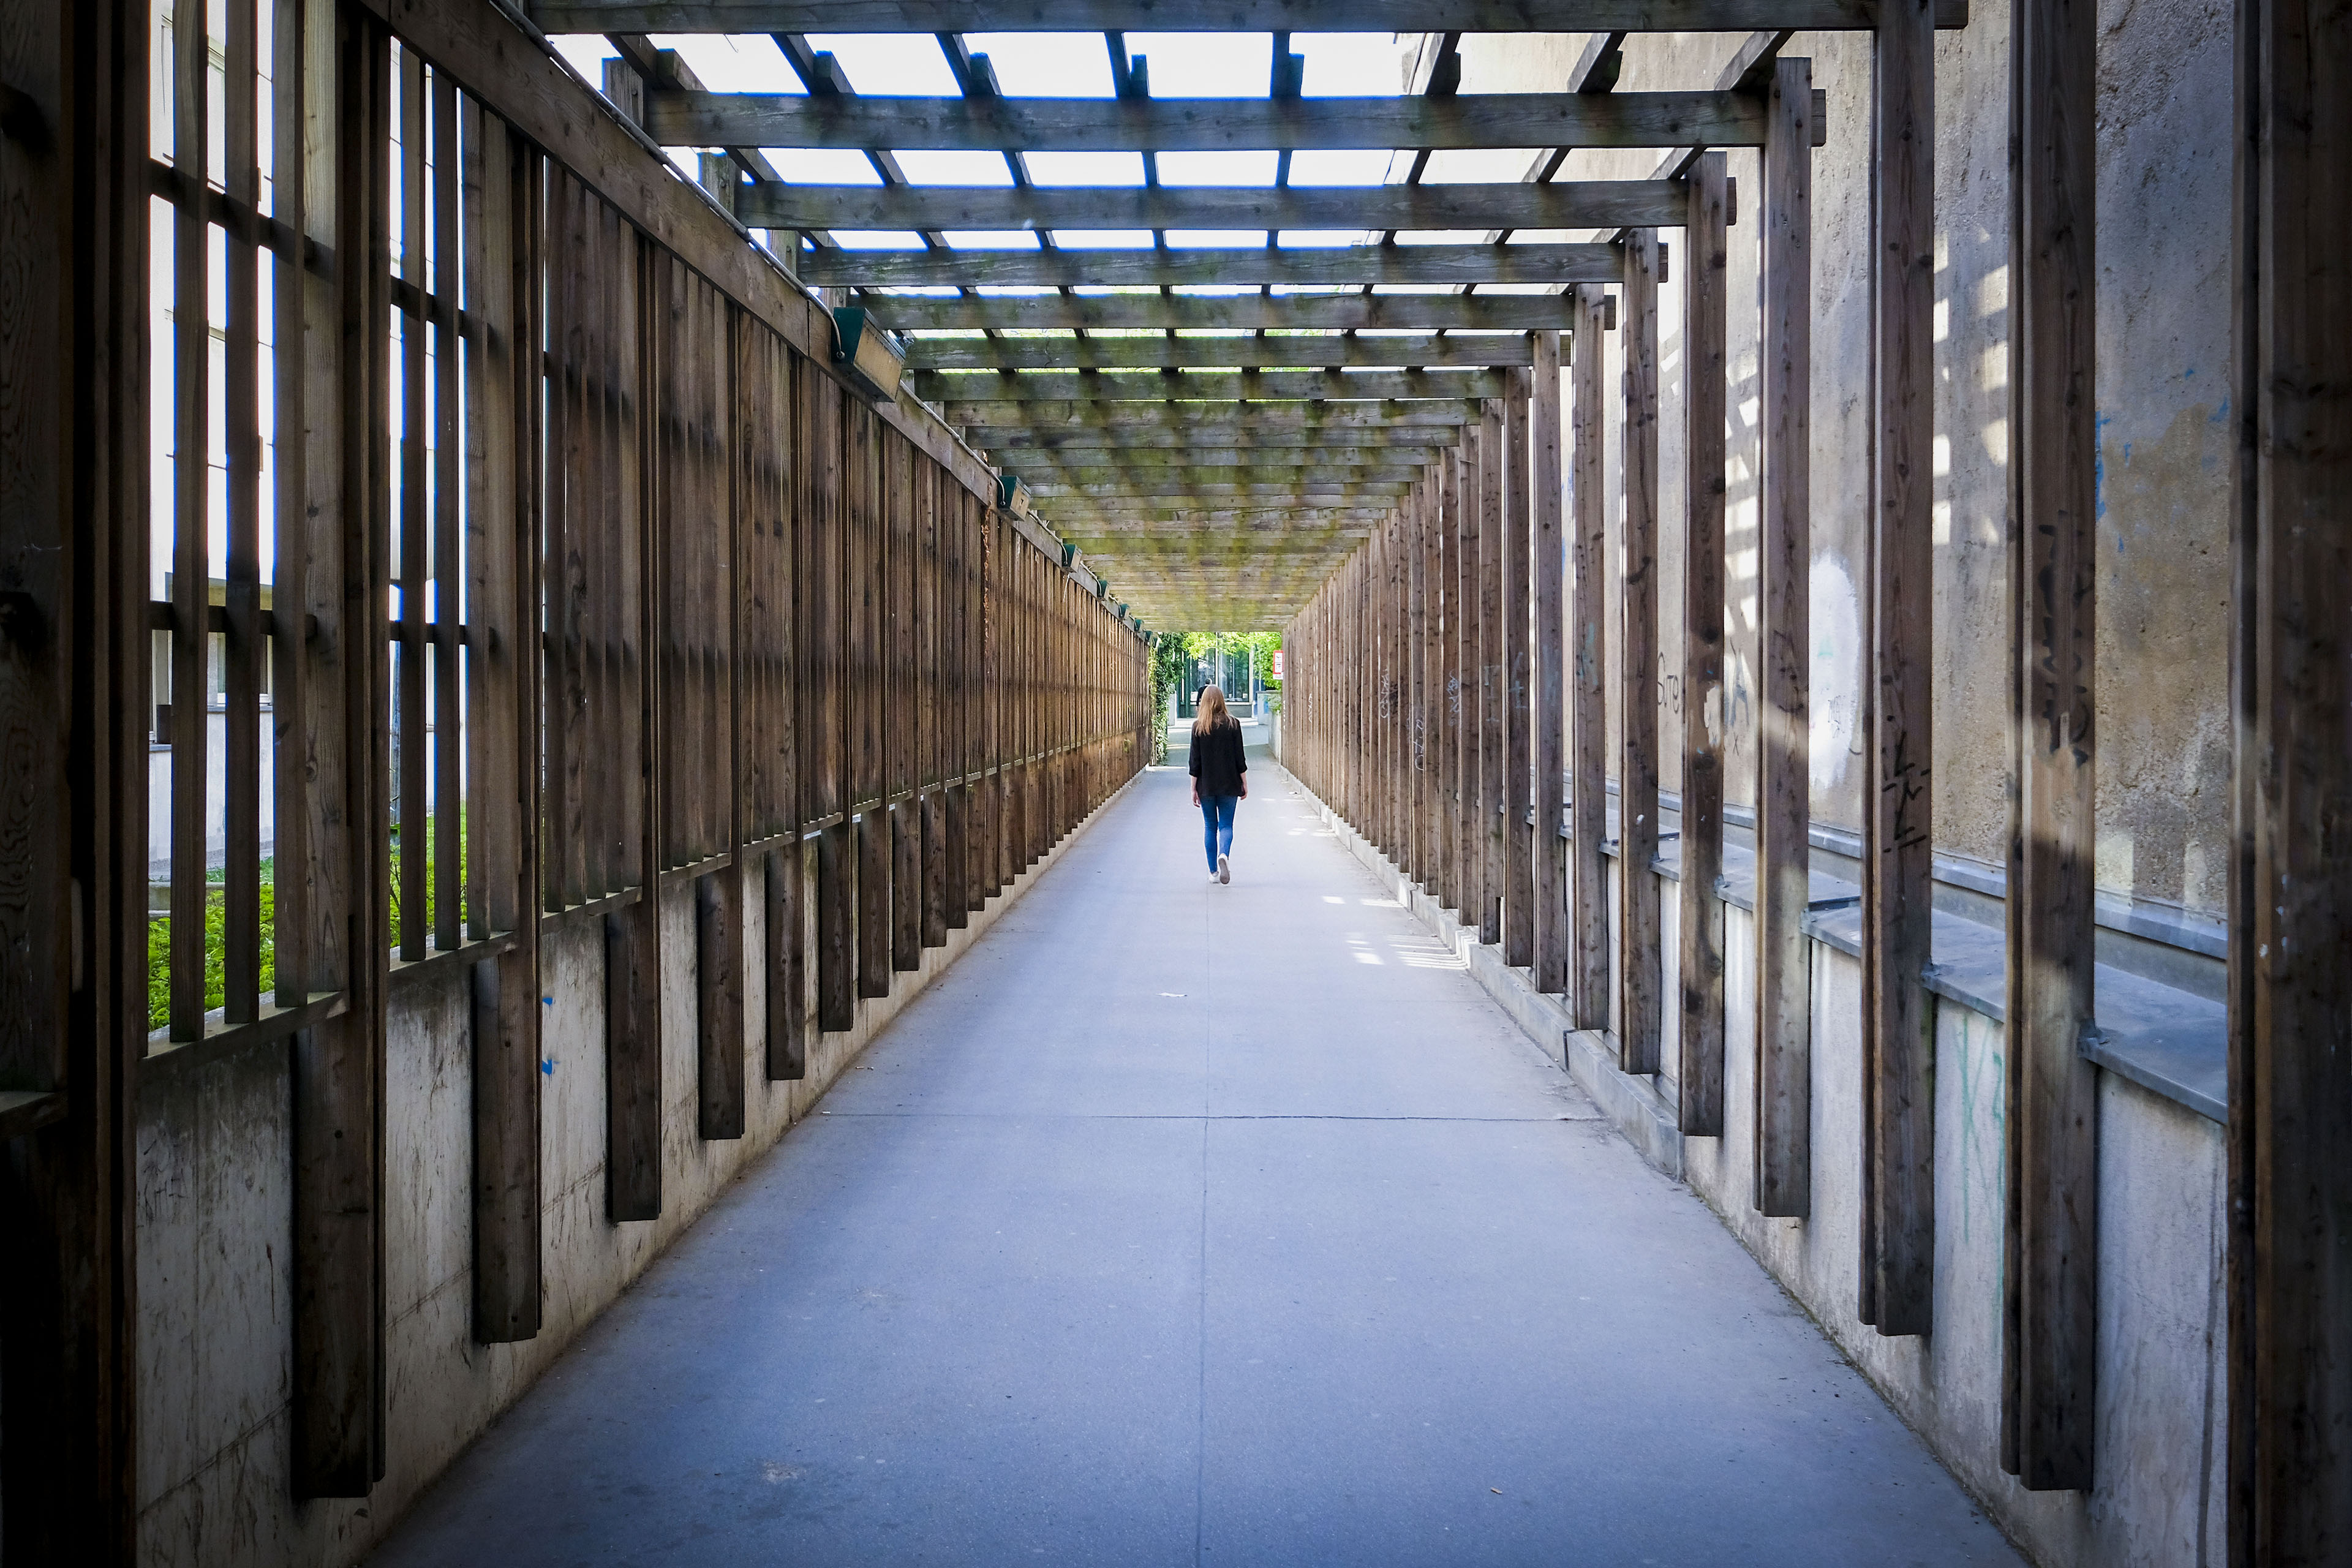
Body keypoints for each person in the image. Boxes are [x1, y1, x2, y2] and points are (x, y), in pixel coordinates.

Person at [1189, 684, 1247, 884]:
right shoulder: (1233, 724)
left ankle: (1213, 872)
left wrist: (1193, 788)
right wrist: (1244, 783)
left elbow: (1195, 762)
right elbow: (1240, 758)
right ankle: (1224, 854)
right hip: (1230, 784)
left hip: (1206, 785)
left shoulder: (1198, 727)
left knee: (1210, 826)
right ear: (1222, 701)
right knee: (1226, 825)